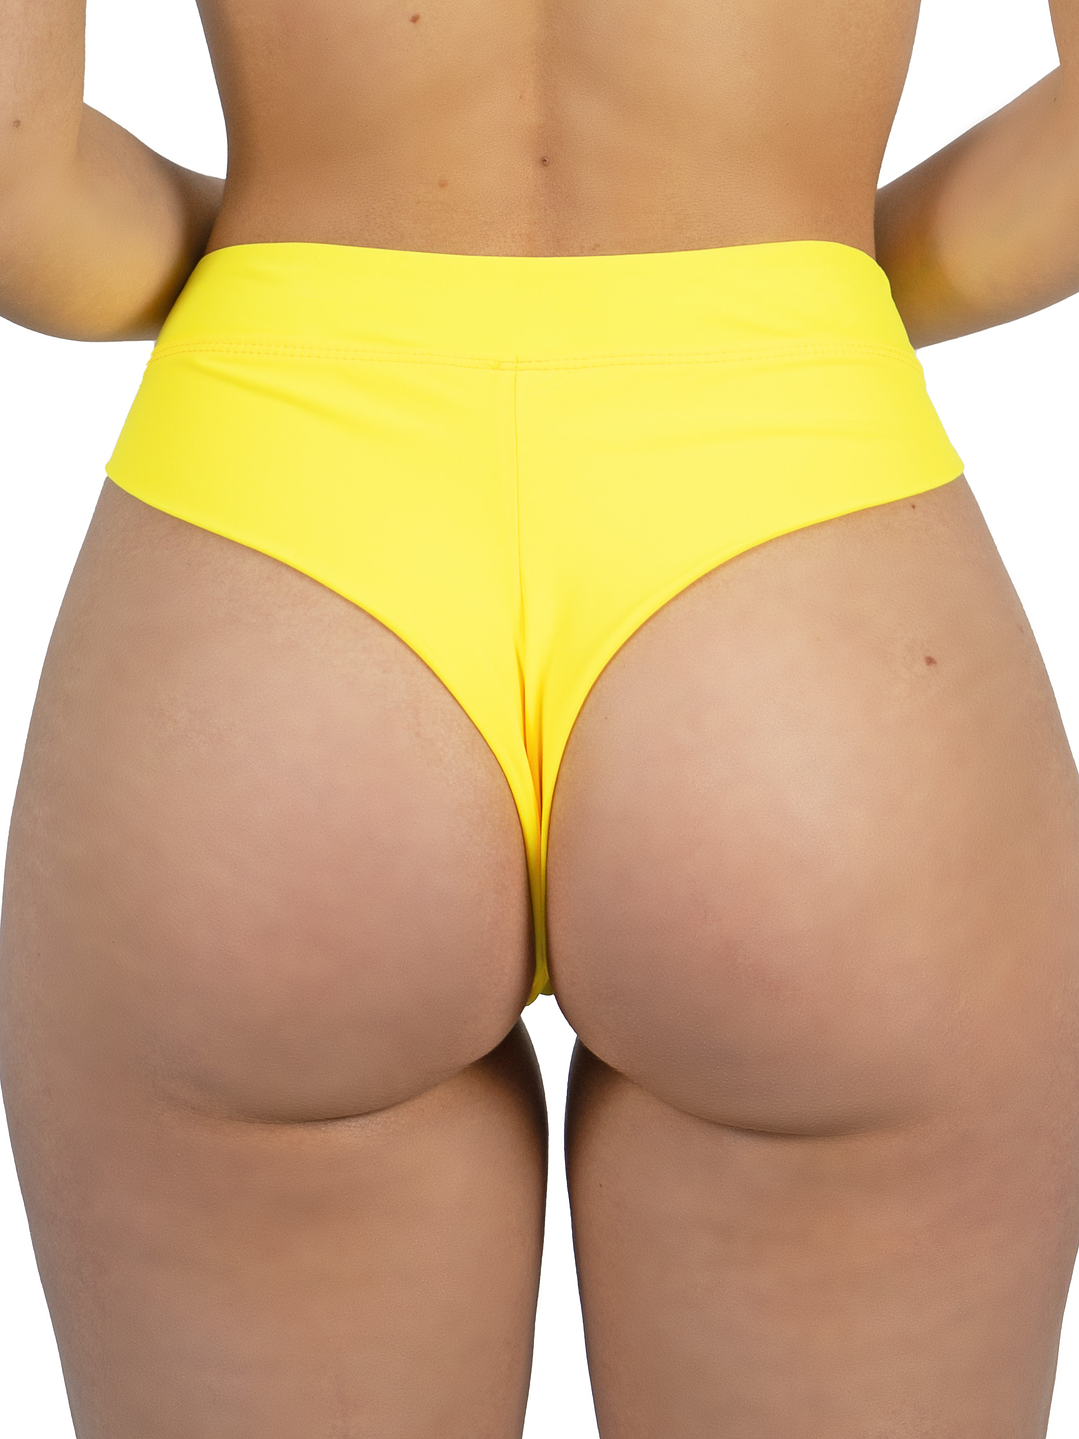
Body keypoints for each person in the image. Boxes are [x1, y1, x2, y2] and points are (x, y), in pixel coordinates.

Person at [1, 1, 1078, 1434]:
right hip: (809, 594)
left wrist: (278, 290)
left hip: (269, 571)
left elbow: (18, 204)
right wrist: (800, 311)